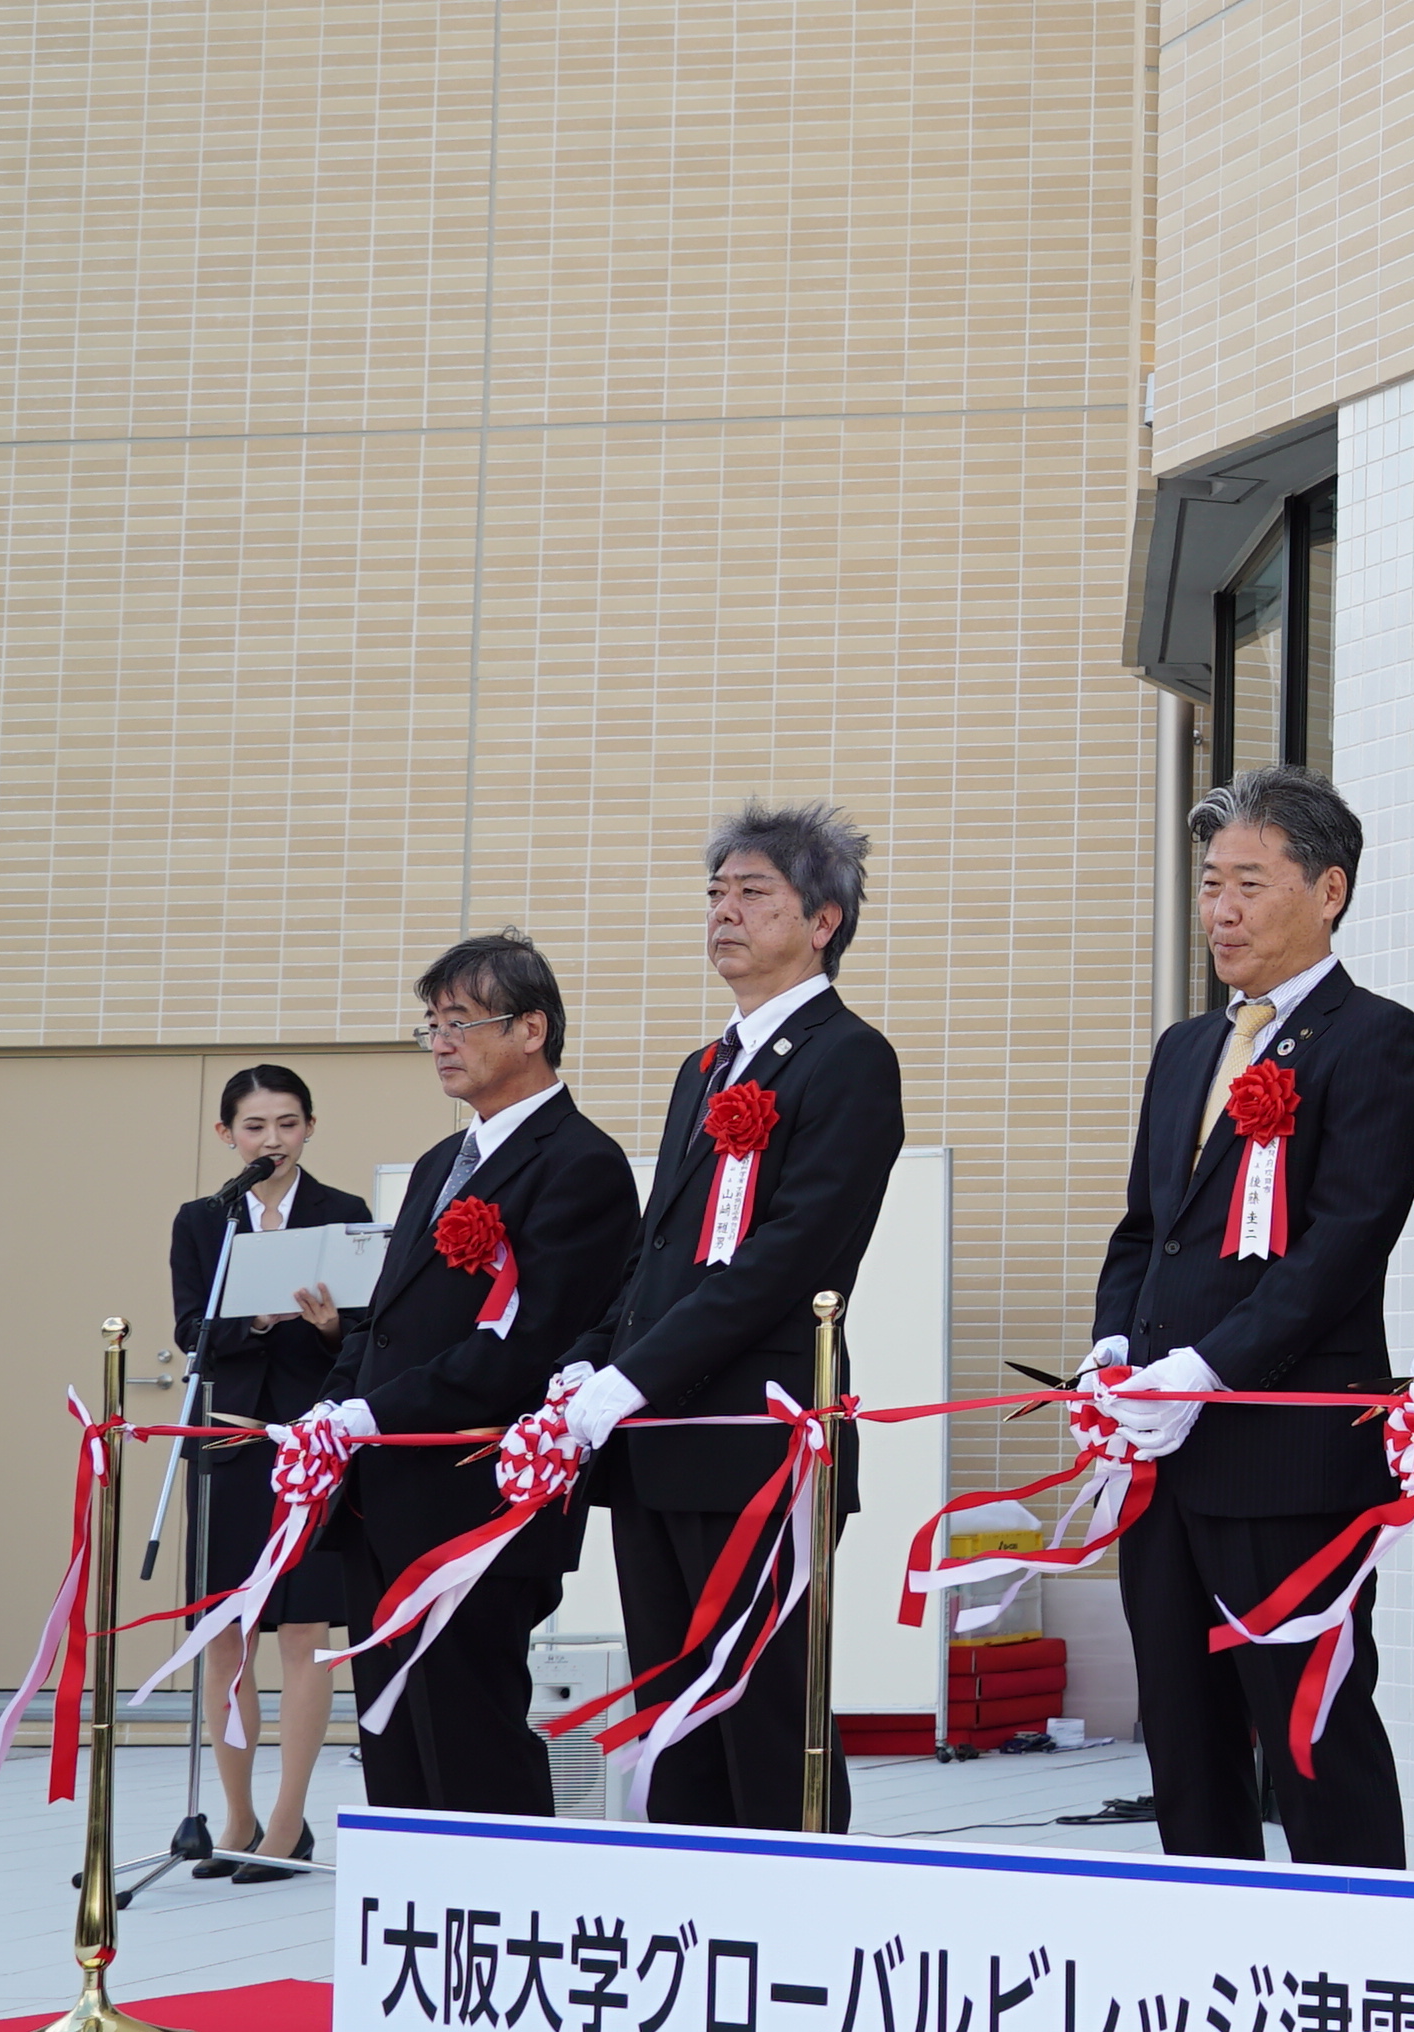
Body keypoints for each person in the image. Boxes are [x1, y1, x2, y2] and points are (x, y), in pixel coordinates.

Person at [1088, 764, 1414, 1867]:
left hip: (1290, 1455)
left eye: (1248, 882)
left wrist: (1205, 1369)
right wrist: (1118, 1347)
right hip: (1166, 1466)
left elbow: (1341, 1248)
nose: (1221, 910)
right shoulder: (1189, 1046)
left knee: (1313, 1738)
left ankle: (1361, 1967)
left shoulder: (1376, 1038)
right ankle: (1212, 1969)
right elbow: (1148, 1226)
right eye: (1209, 885)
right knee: (1183, 1744)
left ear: (1327, 890)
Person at [549, 803, 905, 1831]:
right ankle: (694, 1943)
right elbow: (658, 1249)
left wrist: (635, 1376)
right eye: (716, 892)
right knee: (676, 1716)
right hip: (660, 1440)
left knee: (765, 1710)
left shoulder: (848, 1058)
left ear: (824, 918)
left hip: (757, 1435)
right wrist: (588, 1361)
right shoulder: (705, 1070)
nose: (725, 912)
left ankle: (801, 1929)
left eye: (754, 892)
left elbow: (789, 1257)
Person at [318, 934, 638, 1813]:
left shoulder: (582, 1163)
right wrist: (333, 1410)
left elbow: (528, 1345)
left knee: (470, 1732)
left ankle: (508, 1929)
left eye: (462, 1021)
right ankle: (415, 1925)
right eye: (432, 1024)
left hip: (477, 1499)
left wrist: (372, 1414)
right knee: (392, 1739)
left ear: (531, 1028)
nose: (442, 1042)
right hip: (384, 1492)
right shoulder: (435, 1164)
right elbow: (383, 1321)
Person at [163, 1065, 371, 1880]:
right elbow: (189, 1328)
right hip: (226, 1442)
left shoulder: (344, 1214)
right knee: (227, 1636)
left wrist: (325, 1330)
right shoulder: (202, 1220)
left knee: (306, 1636)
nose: (272, 1141)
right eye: (255, 1127)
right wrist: (251, 1316)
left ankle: (288, 1825)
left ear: (310, 1128)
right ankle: (238, 1819)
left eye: (287, 1124)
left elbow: (366, 1335)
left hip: (310, 1441)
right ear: (228, 1137)